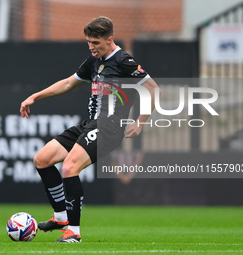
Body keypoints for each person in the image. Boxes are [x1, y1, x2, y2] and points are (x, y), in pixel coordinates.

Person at [20, 16, 160, 243]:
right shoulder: (94, 60)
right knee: (42, 159)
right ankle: (60, 217)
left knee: (69, 166)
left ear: (110, 39)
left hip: (110, 127)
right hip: (91, 123)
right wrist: (35, 96)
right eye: (89, 42)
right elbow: (67, 83)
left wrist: (140, 121)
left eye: (96, 43)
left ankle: (73, 232)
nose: (91, 47)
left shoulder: (124, 61)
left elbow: (154, 90)